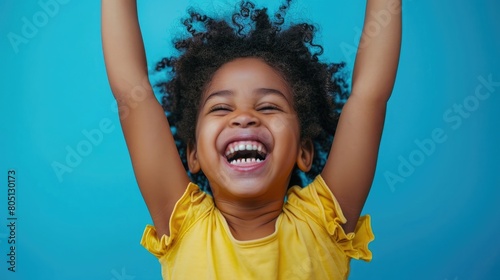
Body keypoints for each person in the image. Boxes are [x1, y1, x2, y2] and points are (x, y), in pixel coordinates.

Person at [101, 0, 401, 279]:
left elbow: (369, 97)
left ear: (304, 151)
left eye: (269, 106)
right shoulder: (183, 223)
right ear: (193, 155)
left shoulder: (325, 222)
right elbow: (131, 92)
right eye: (220, 107)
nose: (244, 117)